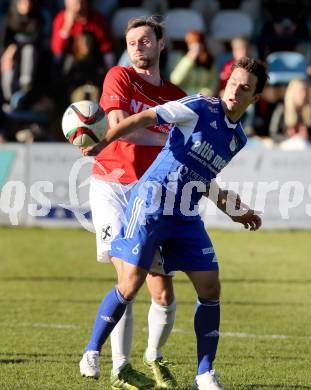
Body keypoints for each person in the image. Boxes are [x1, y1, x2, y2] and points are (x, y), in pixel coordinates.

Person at [81, 57, 268, 389]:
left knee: (210, 287)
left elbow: (205, 178)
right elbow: (143, 117)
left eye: (244, 88)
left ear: (254, 99)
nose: (234, 92)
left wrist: (239, 211)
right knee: (130, 284)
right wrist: (104, 141)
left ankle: (204, 374)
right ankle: (92, 351)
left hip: (185, 215)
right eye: (233, 83)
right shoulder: (199, 106)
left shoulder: (237, 139)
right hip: (151, 203)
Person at [79, 16, 186, 389]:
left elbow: (183, 150)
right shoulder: (119, 77)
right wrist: (168, 139)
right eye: (132, 42)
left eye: (145, 41)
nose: (137, 47)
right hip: (111, 185)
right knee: (128, 278)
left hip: (150, 192)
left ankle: (154, 357)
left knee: (164, 290)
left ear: (160, 45)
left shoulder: (176, 96)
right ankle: (119, 367)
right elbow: (121, 124)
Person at [269, 79, 311, 149]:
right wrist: (291, 137)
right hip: (286, 147)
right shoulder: (282, 109)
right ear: (292, 93)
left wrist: (307, 137)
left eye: (306, 91)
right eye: (300, 92)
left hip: (307, 147)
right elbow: (274, 134)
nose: (304, 95)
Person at [170, 30, 217, 96]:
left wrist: (205, 94)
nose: (197, 48)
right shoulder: (180, 58)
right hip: (184, 98)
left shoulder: (209, 60)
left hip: (204, 99)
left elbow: (213, 84)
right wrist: (189, 59)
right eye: (193, 44)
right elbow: (175, 80)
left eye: (199, 44)